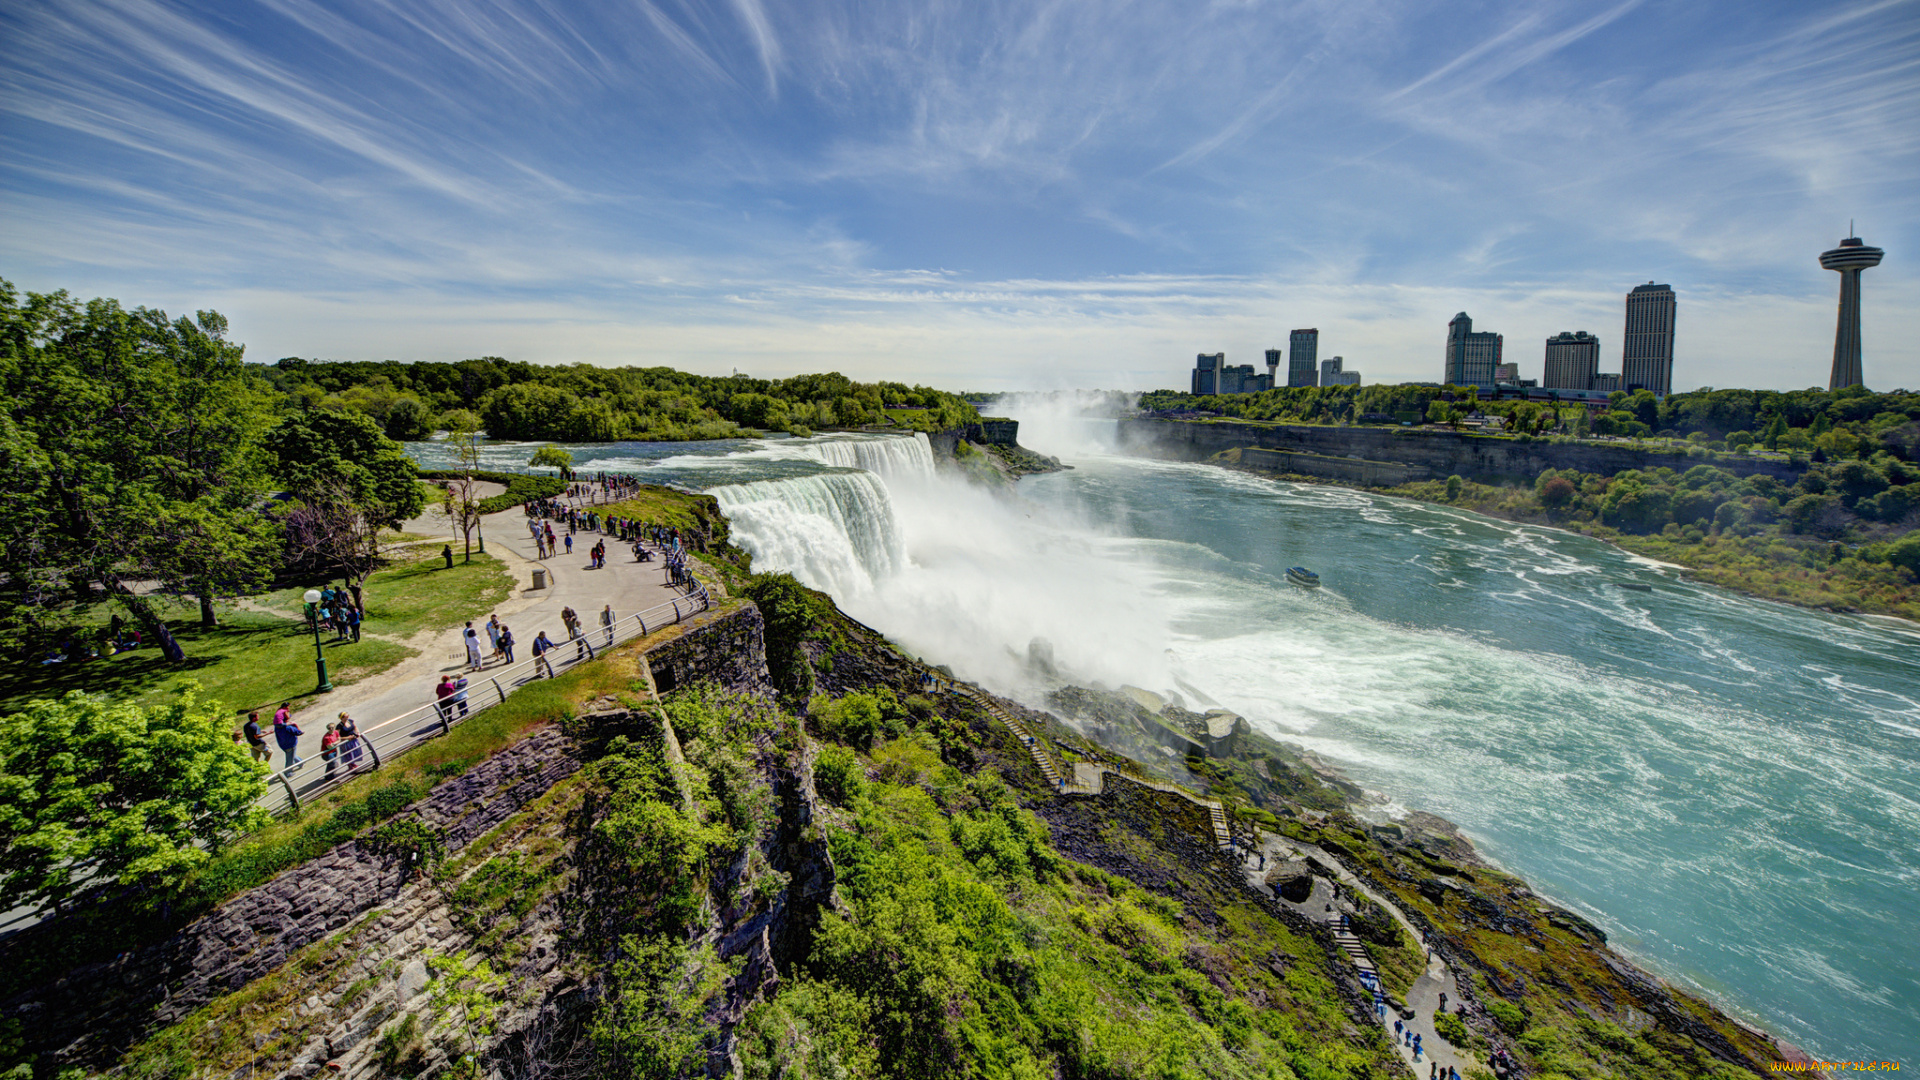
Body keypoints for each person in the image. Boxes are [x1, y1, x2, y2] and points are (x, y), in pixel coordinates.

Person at [273, 708, 303, 772]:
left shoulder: (277, 727)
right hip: (290, 744)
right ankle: (288, 772)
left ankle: (301, 763)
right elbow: (299, 732)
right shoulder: (289, 727)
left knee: (292, 755)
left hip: (282, 744)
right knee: (290, 759)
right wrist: (295, 725)